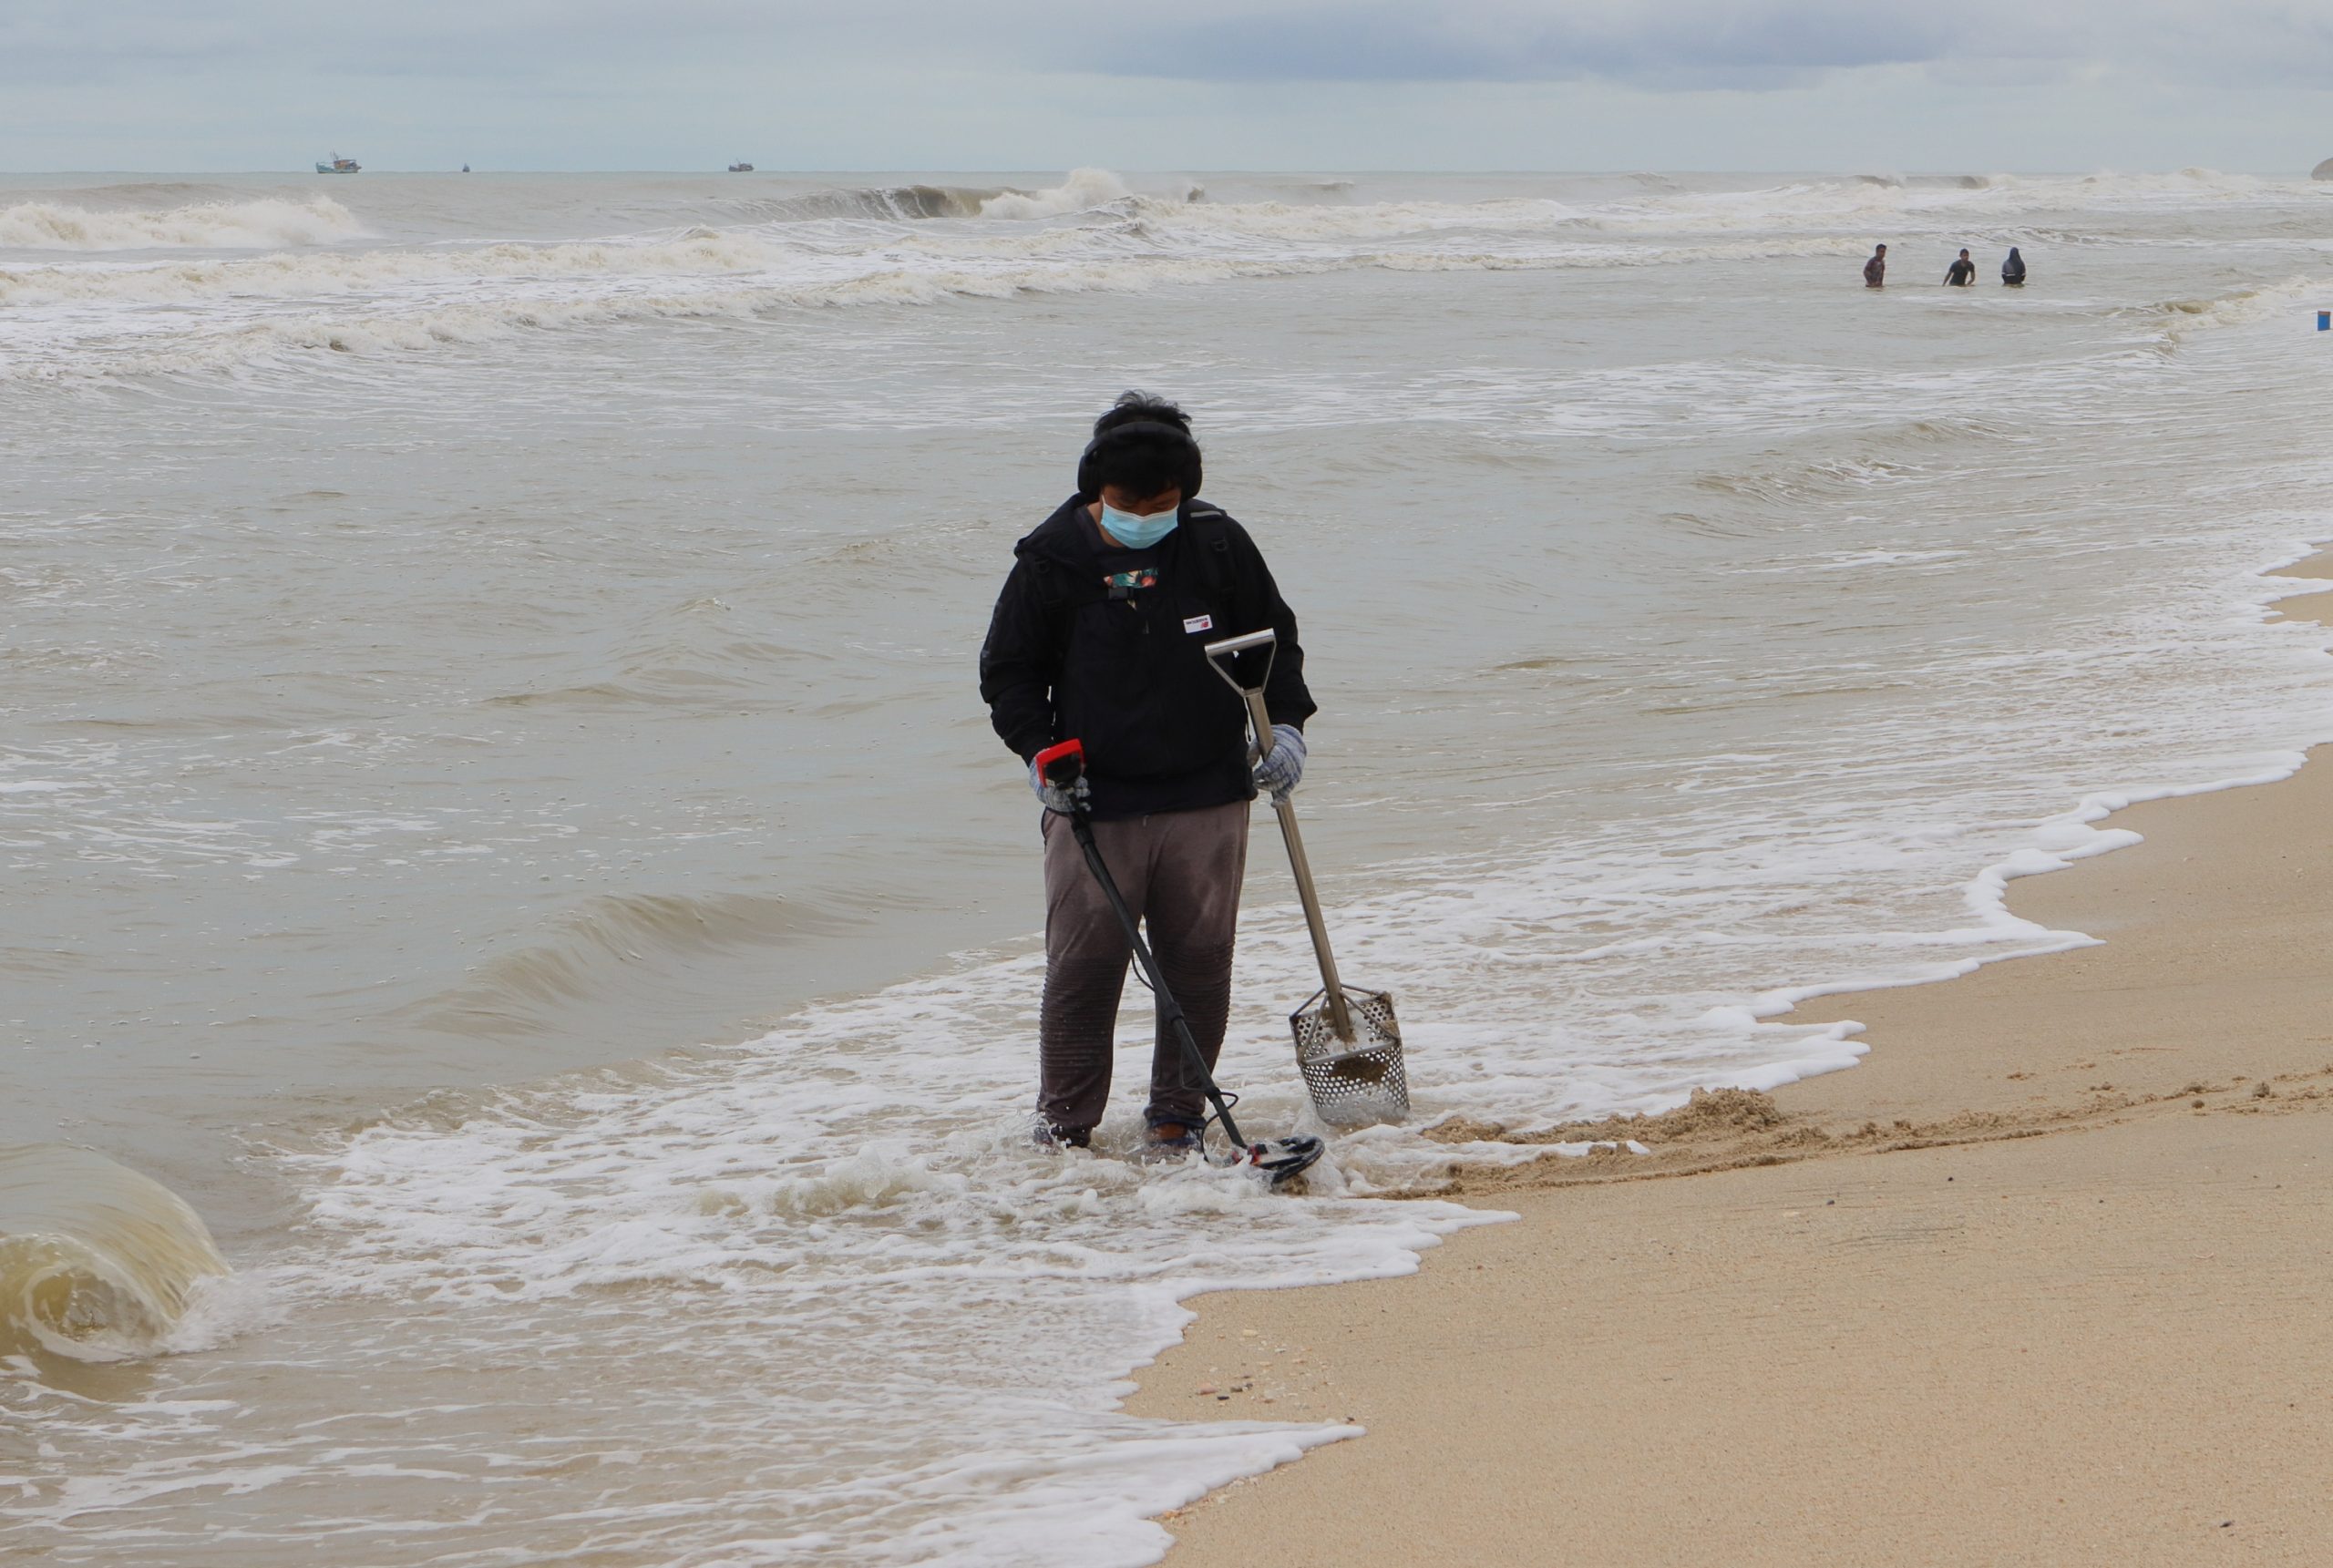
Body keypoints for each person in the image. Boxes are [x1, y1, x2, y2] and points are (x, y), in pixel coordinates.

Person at [979, 393, 1315, 1155]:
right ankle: (1064, 1128)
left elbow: (1275, 642)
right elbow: (1009, 675)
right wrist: (1040, 757)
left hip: (1209, 792)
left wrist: (1287, 727)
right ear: (1098, 489)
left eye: (1163, 503)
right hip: (1095, 801)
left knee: (1198, 965)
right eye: (1131, 505)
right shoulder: (1052, 559)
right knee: (1083, 970)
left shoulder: (1215, 544)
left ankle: (1177, 1117)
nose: (1146, 517)